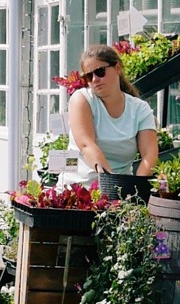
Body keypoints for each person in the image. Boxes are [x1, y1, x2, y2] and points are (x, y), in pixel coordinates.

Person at [66, 46, 158, 194]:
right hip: (79, 191)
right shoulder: (82, 99)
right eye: (89, 76)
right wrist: (110, 184)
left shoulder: (140, 109)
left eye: (100, 72)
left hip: (122, 193)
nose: (95, 79)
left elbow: (149, 154)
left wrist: (136, 190)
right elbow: (86, 145)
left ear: (117, 68)